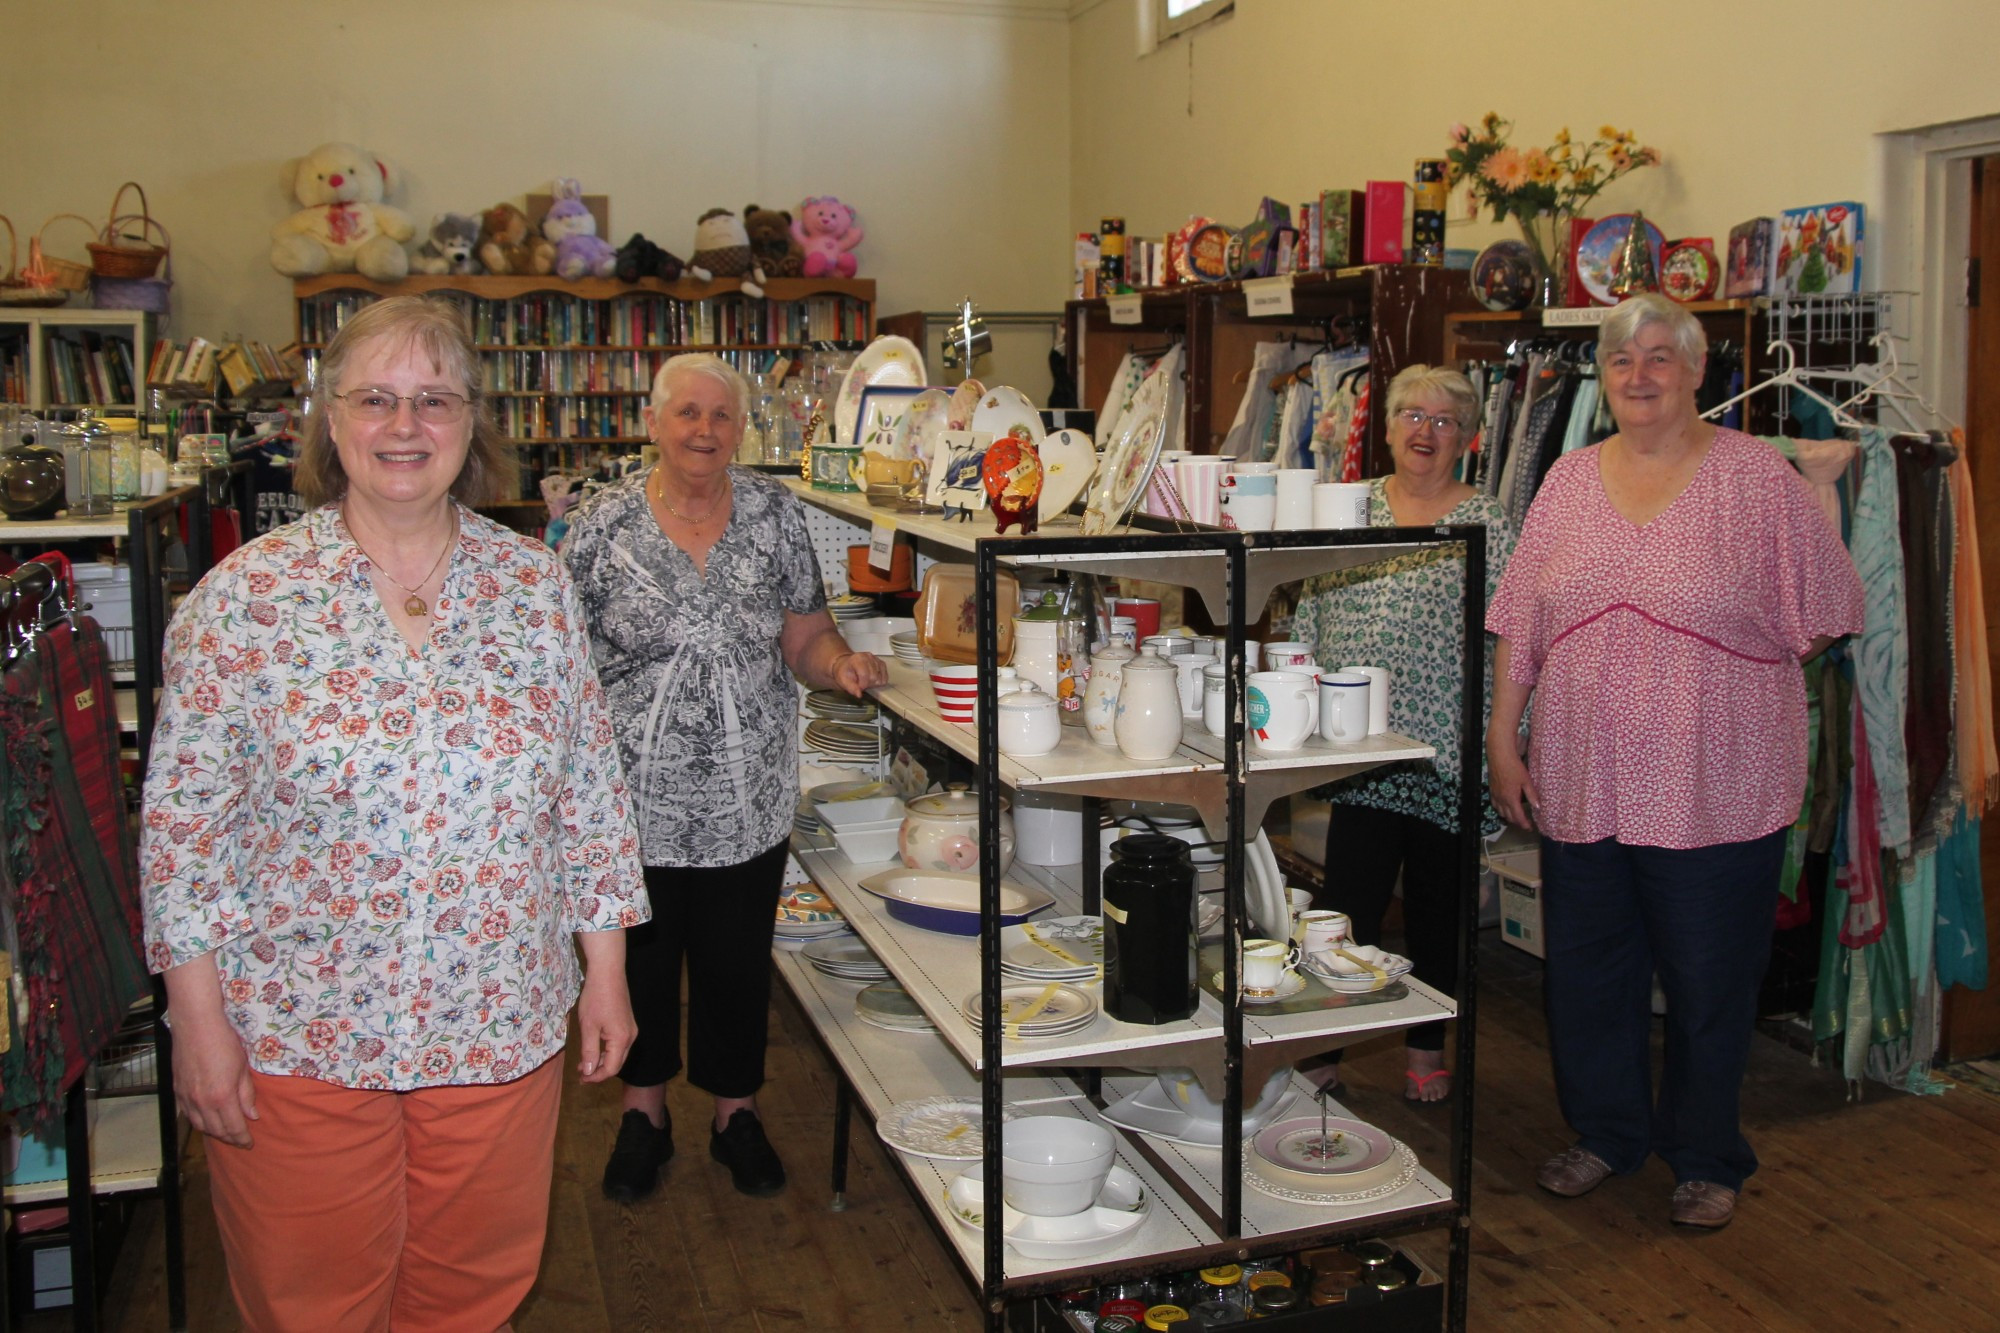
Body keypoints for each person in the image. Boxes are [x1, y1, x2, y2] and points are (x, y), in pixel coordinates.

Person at [140, 295, 646, 1332]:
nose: (403, 425)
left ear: (470, 424)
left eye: (432, 399)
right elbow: (184, 831)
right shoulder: (246, 599)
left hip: (495, 1021)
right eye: (375, 398)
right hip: (296, 1031)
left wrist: (606, 972)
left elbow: (587, 792)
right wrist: (196, 1022)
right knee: (309, 1298)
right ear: (329, 417)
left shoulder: (533, 586)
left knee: (472, 1292)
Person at [1485, 293, 1863, 1230]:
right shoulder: (1567, 479)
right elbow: (1519, 623)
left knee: (1708, 977)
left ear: (1699, 371)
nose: (1641, 374)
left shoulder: (1757, 478)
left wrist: (1706, 678)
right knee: (1588, 971)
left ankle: (1706, 1155)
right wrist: (1502, 736)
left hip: (1717, 782)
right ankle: (1608, 1132)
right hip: (1580, 772)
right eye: (1622, 360)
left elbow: (1821, 613)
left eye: (1662, 356)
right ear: (1603, 377)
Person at [563, 352, 888, 1203]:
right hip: (632, 803)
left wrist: (842, 665)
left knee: (736, 962)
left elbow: (806, 637)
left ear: (741, 429)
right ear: (654, 423)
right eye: (687, 414)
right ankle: (644, 1114)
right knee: (639, 961)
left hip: (747, 800)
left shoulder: (778, 517)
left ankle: (734, 1115)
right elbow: (563, 664)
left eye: (720, 416)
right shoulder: (600, 527)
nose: (704, 430)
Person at [1291, 364, 1514, 1102]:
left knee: (1436, 913)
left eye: (1445, 420)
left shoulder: (1488, 519)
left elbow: (1513, 633)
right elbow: (1313, 598)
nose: (1426, 431)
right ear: (1385, 427)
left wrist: (1508, 734)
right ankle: (1324, 1045)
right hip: (1361, 746)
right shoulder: (1350, 507)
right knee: (1345, 907)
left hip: (1446, 749)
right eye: (1412, 415)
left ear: (1469, 437)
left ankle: (1426, 1043)